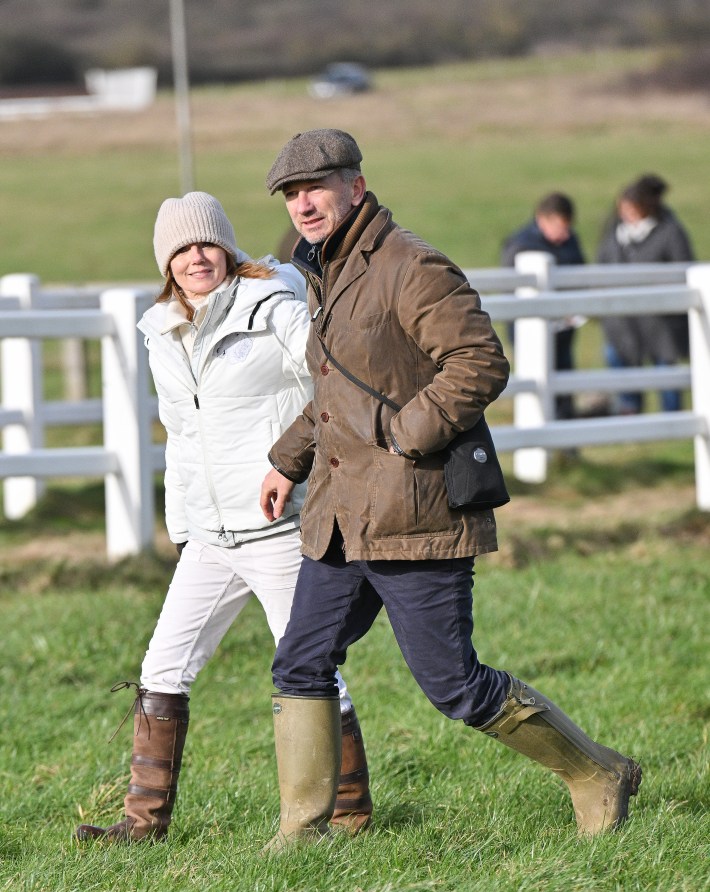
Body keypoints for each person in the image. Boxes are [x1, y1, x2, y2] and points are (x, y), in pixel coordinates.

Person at [258, 128, 642, 851]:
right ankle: (303, 830)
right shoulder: (326, 273)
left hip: (414, 510)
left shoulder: (410, 265)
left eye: (315, 186)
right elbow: (336, 392)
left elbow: (478, 362)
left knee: (453, 686)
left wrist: (409, 435)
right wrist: (287, 461)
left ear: (355, 186)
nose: (302, 203)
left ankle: (598, 773)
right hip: (342, 518)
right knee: (300, 660)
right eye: (290, 193)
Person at [75, 191, 372, 843]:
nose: (196, 257)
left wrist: (292, 466)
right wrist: (183, 529)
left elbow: (335, 383)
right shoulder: (164, 332)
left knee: (308, 666)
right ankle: (143, 822)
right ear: (166, 263)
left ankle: (348, 812)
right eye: (181, 249)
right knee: (163, 668)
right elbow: (181, 437)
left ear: (228, 249)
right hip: (209, 539)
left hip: (277, 530)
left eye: (206, 243)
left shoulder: (273, 307)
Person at [597, 174, 694, 414]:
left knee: (665, 370)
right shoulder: (614, 233)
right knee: (622, 364)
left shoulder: (669, 232)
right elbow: (600, 267)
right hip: (622, 320)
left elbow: (683, 270)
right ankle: (629, 411)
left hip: (659, 320)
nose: (626, 211)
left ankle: (673, 417)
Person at [501, 192, 586, 419]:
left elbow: (581, 276)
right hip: (529, 328)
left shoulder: (570, 240)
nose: (564, 233)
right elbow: (511, 290)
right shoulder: (521, 245)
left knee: (564, 378)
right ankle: (542, 429)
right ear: (542, 219)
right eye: (559, 226)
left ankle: (566, 443)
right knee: (537, 378)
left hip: (564, 327)